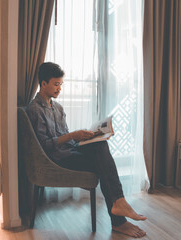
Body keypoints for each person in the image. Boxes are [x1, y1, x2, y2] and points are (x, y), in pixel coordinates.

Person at [26, 62, 147, 238]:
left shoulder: (58, 108)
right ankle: (119, 216)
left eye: (61, 84)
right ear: (43, 84)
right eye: (56, 84)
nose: (60, 89)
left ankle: (119, 206)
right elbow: (45, 145)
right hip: (57, 159)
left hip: (70, 150)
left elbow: (65, 135)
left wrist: (85, 137)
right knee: (102, 163)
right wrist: (74, 135)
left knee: (100, 144)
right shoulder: (34, 109)